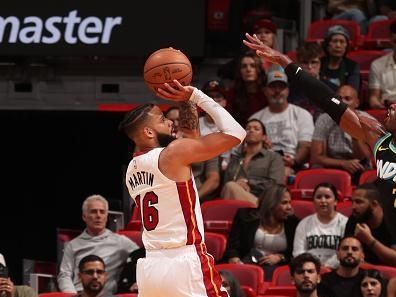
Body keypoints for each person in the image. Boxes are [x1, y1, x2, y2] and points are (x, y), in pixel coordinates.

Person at [242, 31, 396, 257]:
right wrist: (285, 62)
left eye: (395, 107)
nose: (389, 109)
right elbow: (327, 99)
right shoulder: (379, 138)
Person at [120, 78, 246, 297]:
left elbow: (189, 139)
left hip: (151, 268)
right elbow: (236, 133)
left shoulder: (132, 169)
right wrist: (195, 95)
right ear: (149, 133)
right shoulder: (172, 154)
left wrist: (185, 102)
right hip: (185, 261)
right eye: (162, 120)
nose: (171, 123)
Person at [58, 194, 138, 295]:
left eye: (102, 212)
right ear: (84, 216)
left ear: (106, 216)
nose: (98, 216)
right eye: (93, 211)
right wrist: (72, 295)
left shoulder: (122, 242)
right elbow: (64, 275)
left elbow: (140, 258)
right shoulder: (72, 245)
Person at [224, 184, 299, 280]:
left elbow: (295, 252)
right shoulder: (245, 216)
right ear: (271, 203)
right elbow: (232, 246)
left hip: (276, 268)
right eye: (284, 203)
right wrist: (234, 259)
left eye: (290, 202)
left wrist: (280, 257)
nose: (289, 207)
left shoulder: (292, 223)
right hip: (246, 263)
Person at [249, 69, 314, 176]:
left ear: (288, 91)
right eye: (273, 87)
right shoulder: (255, 118)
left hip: (291, 165)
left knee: (281, 172)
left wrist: (294, 161)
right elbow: (248, 147)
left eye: (281, 87)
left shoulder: (302, 114)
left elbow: (306, 146)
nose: (277, 91)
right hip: (261, 163)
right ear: (265, 91)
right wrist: (259, 144)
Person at [311, 84, 373, 184]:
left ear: (357, 103)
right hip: (332, 165)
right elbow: (315, 157)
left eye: (347, 99)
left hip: (359, 165)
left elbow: (365, 158)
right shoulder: (324, 119)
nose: (342, 102)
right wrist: (343, 163)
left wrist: (354, 132)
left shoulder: (367, 120)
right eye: (339, 98)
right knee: (315, 168)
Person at [164, 103, 221, 202]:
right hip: (166, 197)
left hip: (196, 196)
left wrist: (195, 198)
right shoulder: (159, 145)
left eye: (180, 120)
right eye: (172, 121)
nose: (176, 124)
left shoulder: (206, 144)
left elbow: (214, 179)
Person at [221, 119, 285, 205]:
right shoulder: (235, 160)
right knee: (230, 186)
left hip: (263, 202)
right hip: (234, 198)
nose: (251, 130)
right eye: (248, 128)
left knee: (231, 186)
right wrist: (238, 186)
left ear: (264, 137)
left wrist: (248, 183)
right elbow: (225, 184)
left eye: (256, 129)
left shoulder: (273, 157)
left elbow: (276, 184)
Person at [293, 182, 348, 268]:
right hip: (309, 272)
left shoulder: (345, 223)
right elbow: (298, 253)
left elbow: (346, 252)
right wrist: (313, 268)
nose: (323, 201)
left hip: (337, 270)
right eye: (318, 197)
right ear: (313, 202)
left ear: (336, 201)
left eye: (327, 197)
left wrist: (327, 267)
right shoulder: (304, 223)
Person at [344, 183, 396, 265]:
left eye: (358, 202)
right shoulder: (354, 219)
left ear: (374, 204)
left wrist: (369, 240)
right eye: (352, 202)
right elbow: (347, 251)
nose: (353, 207)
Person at [226, 50, 268, 126]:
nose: (248, 69)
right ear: (240, 71)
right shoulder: (232, 94)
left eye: (253, 66)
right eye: (244, 66)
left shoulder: (267, 94)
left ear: (258, 69)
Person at [320, 25, 360, 92]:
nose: (338, 45)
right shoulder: (318, 63)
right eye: (334, 41)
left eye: (342, 42)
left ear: (346, 46)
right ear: (327, 45)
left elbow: (352, 92)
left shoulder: (352, 66)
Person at [368, 19, 396, 109]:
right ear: (391, 42)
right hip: (387, 109)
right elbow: (374, 98)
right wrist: (382, 107)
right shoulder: (377, 65)